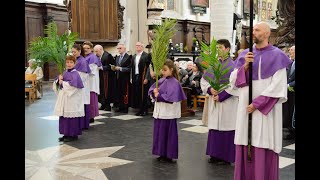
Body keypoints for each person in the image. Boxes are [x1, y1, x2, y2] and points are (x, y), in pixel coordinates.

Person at [227, 22, 292, 180]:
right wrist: (245, 68)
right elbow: (233, 81)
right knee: (245, 141)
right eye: (252, 30)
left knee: (263, 142)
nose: (253, 33)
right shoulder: (245, 55)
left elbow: (279, 87)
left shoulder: (278, 56)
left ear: (268, 33)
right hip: (245, 110)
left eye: (257, 30)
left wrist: (256, 104)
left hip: (264, 112)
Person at [200, 39, 238, 165]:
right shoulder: (214, 65)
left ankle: (225, 157)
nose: (218, 50)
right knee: (215, 127)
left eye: (220, 47)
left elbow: (235, 85)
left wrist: (222, 95)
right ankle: (214, 154)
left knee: (226, 128)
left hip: (228, 103)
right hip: (214, 101)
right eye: (217, 48)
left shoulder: (233, 66)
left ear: (227, 49)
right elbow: (204, 81)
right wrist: (210, 90)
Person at [148, 60, 187, 163]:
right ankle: (161, 153)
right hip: (160, 112)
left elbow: (170, 97)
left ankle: (168, 155)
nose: (163, 72)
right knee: (160, 133)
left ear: (171, 70)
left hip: (169, 113)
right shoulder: (161, 80)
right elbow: (152, 91)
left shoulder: (175, 82)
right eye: (162, 70)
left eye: (165, 70)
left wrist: (158, 95)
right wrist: (153, 93)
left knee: (168, 134)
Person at [53, 55, 84, 142]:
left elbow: (73, 87)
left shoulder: (76, 74)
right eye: (67, 62)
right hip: (64, 98)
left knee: (71, 117)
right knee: (64, 116)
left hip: (72, 99)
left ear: (74, 63)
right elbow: (58, 83)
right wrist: (58, 80)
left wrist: (63, 83)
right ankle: (66, 133)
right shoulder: (65, 72)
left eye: (71, 62)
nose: (69, 64)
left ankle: (73, 135)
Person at [72, 44, 91, 130]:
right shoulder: (75, 59)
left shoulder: (82, 61)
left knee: (83, 104)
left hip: (82, 87)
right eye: (72, 52)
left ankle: (84, 124)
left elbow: (83, 75)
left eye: (74, 52)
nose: (73, 53)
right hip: (77, 86)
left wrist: (72, 75)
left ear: (79, 51)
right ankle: (79, 124)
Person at [83, 41, 102, 123]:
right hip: (86, 82)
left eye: (88, 48)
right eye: (84, 48)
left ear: (91, 49)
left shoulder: (93, 57)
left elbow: (92, 70)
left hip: (91, 82)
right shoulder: (86, 56)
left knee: (91, 99)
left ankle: (91, 116)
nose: (86, 50)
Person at [130, 42, 152, 116]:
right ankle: (139, 109)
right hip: (135, 76)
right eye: (136, 45)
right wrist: (131, 77)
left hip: (143, 76)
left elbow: (149, 67)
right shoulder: (134, 56)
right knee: (137, 93)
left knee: (144, 93)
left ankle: (144, 110)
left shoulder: (146, 55)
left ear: (142, 47)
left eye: (139, 45)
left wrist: (146, 78)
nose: (137, 47)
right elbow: (132, 68)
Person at [94, 44, 116, 111]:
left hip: (108, 77)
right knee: (101, 90)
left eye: (97, 51)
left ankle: (107, 105)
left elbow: (113, 66)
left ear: (101, 49)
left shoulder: (108, 55)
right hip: (101, 76)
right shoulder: (97, 56)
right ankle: (103, 104)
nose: (96, 53)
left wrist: (102, 67)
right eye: (95, 51)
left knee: (107, 91)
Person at [113, 43, 132, 113]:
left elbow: (129, 68)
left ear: (124, 49)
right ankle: (120, 106)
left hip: (125, 78)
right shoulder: (117, 57)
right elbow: (116, 66)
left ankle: (125, 107)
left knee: (125, 93)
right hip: (118, 77)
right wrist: (114, 68)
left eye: (120, 48)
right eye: (118, 48)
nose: (119, 50)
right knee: (119, 93)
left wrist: (120, 68)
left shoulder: (128, 57)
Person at [283, 45, 295, 140]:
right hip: (290, 92)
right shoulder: (291, 63)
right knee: (289, 111)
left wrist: (289, 85)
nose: (289, 51)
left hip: (293, 89)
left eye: (291, 50)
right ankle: (290, 130)